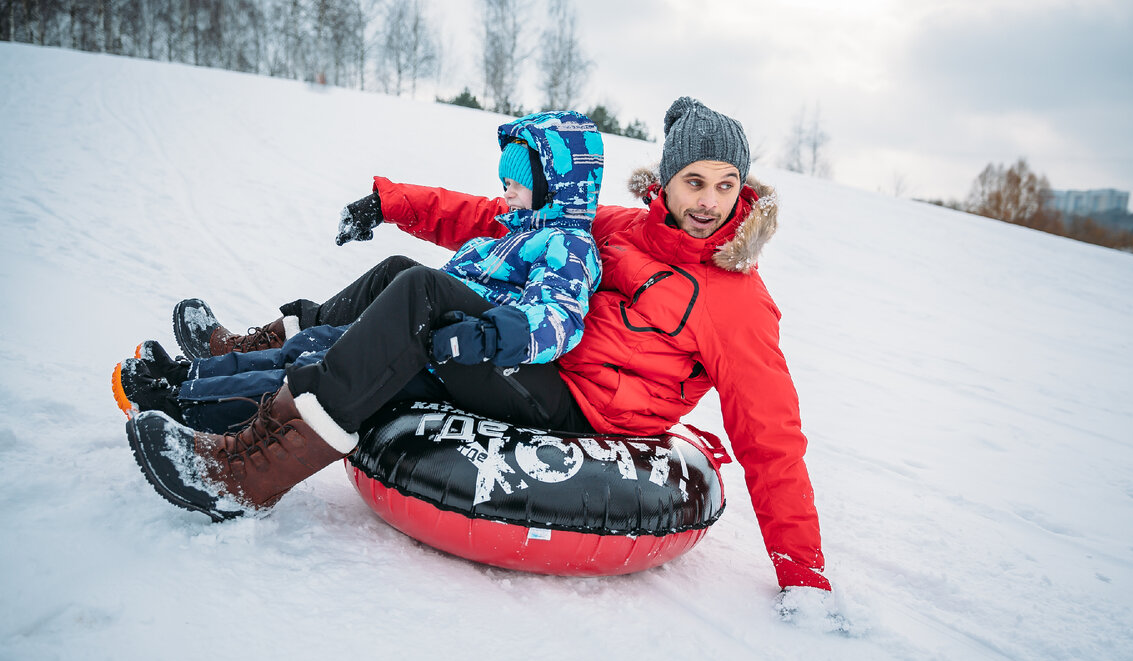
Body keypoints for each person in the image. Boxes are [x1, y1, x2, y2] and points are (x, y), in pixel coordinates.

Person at [127, 97, 831, 595]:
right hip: (531, 356)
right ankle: (203, 404)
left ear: (744, 192)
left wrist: (803, 571)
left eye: (725, 184)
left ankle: (252, 477)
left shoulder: (737, 301)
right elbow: (498, 219)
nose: (708, 200)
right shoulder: (624, 229)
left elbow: (772, 437)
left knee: (422, 299)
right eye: (694, 181)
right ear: (667, 183)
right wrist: (392, 202)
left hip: (577, 410)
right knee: (400, 298)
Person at [115, 108, 604, 435]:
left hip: (463, 354)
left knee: (321, 360)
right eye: (505, 183)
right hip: (434, 337)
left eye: (518, 185)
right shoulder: (515, 227)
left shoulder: (569, 244)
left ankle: (192, 406)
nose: (507, 194)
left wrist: (490, 334)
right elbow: (456, 221)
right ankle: (190, 376)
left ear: (557, 185)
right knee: (314, 343)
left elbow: (559, 316)